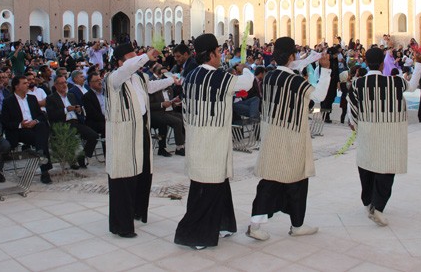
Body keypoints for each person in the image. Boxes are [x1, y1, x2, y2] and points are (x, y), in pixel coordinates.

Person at [246, 37, 332, 241]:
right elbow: (319, 96)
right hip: (292, 138)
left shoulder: (269, 76)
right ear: (292, 56)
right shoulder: (295, 81)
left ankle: (293, 224)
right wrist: (326, 69)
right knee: (286, 182)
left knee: (280, 182)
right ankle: (264, 225)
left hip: (272, 136)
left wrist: (308, 59)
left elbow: (291, 67)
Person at [174, 33, 254, 250]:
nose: (221, 55)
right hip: (211, 141)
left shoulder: (189, 76)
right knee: (207, 188)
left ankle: (222, 224)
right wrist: (245, 67)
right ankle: (194, 234)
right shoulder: (219, 77)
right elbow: (247, 82)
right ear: (210, 54)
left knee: (217, 184)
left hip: (197, 137)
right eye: (218, 52)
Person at [104, 43, 176, 238]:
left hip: (140, 131)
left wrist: (171, 80)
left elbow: (152, 86)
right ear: (120, 62)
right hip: (123, 135)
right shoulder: (114, 78)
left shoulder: (139, 77)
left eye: (136, 57)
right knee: (124, 177)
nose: (136, 61)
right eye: (131, 57)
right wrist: (145, 56)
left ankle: (137, 211)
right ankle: (122, 225)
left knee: (143, 173)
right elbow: (128, 68)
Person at [347, 47, 421, 226]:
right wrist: (419, 63)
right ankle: (378, 207)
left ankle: (368, 202)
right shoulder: (395, 82)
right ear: (383, 64)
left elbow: (353, 111)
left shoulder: (358, 84)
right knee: (386, 169)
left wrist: (358, 128)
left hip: (368, 132)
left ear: (366, 63)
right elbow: (412, 86)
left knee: (367, 166)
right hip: (391, 133)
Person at [1, 76, 52, 184]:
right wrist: (21, 124)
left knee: (42, 127)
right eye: (24, 83)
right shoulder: (8, 101)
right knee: (42, 140)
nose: (27, 84)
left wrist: (35, 121)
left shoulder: (32, 98)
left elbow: (41, 116)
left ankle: (40, 153)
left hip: (35, 127)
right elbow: (6, 123)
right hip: (20, 131)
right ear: (17, 87)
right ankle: (44, 170)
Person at [46, 75, 100, 167]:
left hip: (76, 122)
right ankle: (72, 160)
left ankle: (82, 156)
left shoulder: (71, 95)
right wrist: (66, 110)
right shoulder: (51, 98)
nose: (64, 85)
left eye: (65, 82)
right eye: (61, 83)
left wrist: (78, 110)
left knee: (93, 136)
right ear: (56, 85)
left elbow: (80, 111)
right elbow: (52, 115)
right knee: (70, 136)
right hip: (63, 124)